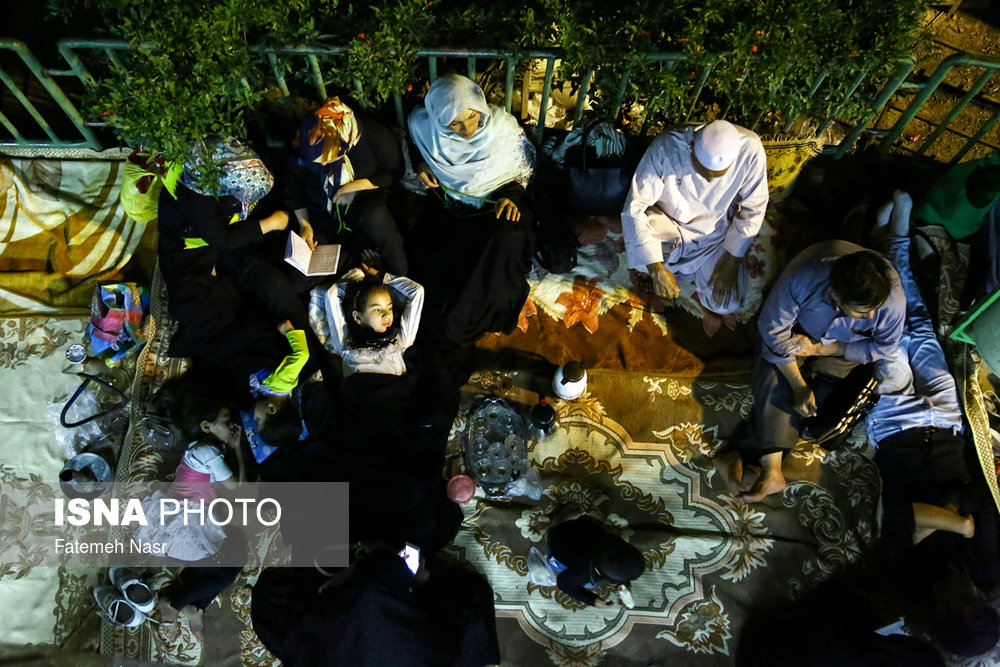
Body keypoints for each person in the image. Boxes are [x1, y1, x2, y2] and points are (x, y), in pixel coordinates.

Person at [718, 240, 905, 502]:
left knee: (820, 406)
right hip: (798, 331)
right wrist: (797, 384)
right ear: (837, 298)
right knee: (775, 370)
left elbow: (880, 347)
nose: (873, 314)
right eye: (863, 313)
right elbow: (773, 332)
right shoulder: (803, 277)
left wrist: (823, 350)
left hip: (842, 349)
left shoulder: (891, 302)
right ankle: (771, 468)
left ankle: (742, 454)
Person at [866, 190, 976, 552]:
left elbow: (899, 512)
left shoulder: (905, 561)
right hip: (946, 419)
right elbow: (969, 491)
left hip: (896, 425)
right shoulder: (979, 567)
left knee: (891, 328)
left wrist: (960, 526)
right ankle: (891, 240)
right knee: (919, 324)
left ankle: (886, 241)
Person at [157, 138, 305, 378]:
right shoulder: (195, 198)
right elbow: (221, 240)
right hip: (190, 248)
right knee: (205, 312)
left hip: (212, 249)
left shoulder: (223, 163)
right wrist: (270, 224)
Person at [406, 73, 536, 347]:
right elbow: (417, 145)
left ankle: (472, 314)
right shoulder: (423, 126)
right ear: (439, 120)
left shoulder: (502, 128)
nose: (468, 130)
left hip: (499, 203)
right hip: (454, 210)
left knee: (505, 240)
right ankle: (457, 316)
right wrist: (422, 166)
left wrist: (510, 196)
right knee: (436, 263)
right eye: (455, 123)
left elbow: (523, 170)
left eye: (473, 117)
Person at [620, 119, 768, 335]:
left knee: (726, 304)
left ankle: (688, 270)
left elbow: (754, 208)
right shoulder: (667, 146)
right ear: (691, 148)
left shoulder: (751, 149)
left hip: (715, 233)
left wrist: (731, 260)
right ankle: (671, 269)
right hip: (669, 222)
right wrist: (655, 268)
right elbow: (635, 206)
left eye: (716, 175)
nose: (709, 179)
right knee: (644, 262)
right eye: (703, 171)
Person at [285, 97, 408, 275]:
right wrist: (305, 225)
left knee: (375, 218)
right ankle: (359, 267)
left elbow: (393, 172)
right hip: (323, 213)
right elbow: (292, 186)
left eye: (329, 158)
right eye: (319, 161)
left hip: (365, 202)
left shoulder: (375, 137)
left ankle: (399, 277)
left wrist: (357, 187)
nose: (325, 164)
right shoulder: (305, 142)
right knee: (300, 273)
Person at [308, 251, 424, 377]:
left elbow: (417, 291)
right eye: (377, 309)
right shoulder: (346, 345)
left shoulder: (400, 341)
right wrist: (360, 277)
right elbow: (331, 295)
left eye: (389, 308)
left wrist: (379, 275)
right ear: (358, 317)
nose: (386, 315)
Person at [546, 514, 646, 607]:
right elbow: (562, 583)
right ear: (610, 579)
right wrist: (591, 600)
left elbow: (619, 561)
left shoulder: (613, 541)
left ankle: (564, 518)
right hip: (556, 546)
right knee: (590, 584)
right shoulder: (585, 575)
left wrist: (623, 583)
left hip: (574, 529)